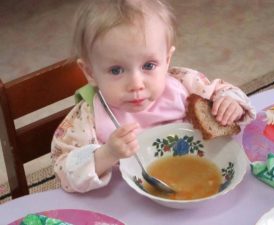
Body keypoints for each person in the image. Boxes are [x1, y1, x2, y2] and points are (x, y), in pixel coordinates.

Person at [51, 0, 255, 193]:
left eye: (149, 66)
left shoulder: (186, 85)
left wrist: (231, 102)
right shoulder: (88, 118)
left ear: (167, 59)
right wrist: (107, 154)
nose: (136, 84)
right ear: (90, 72)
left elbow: (225, 91)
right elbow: (65, 173)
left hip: (198, 183)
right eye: (116, 70)